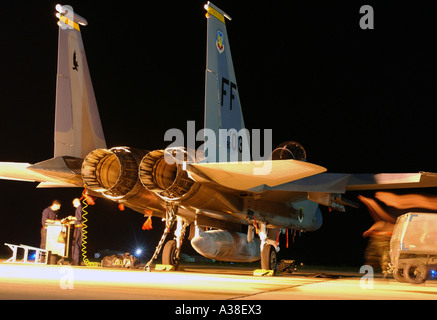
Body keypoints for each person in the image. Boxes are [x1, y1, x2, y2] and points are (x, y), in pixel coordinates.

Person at [71, 198, 83, 265]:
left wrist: (71, 217)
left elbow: (78, 218)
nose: (73, 205)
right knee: (77, 244)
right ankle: (76, 260)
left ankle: (75, 261)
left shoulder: (79, 208)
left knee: (76, 244)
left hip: (79, 228)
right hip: (79, 228)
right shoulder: (80, 208)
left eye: (73, 204)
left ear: (76, 202)